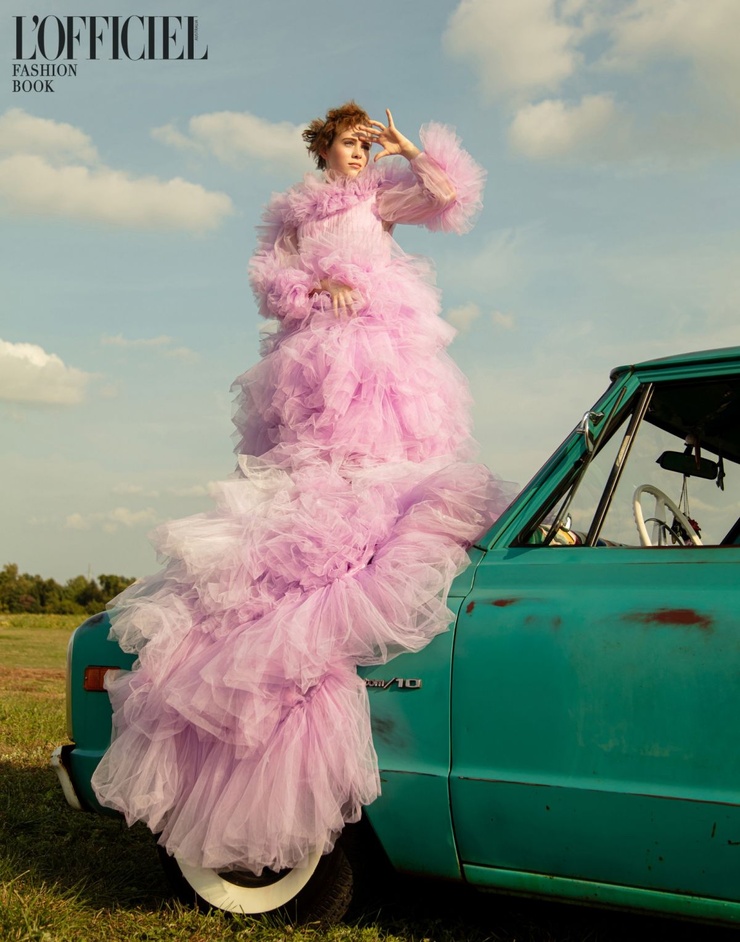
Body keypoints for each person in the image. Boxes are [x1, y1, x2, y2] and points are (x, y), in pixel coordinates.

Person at [91, 102, 514, 877]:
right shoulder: (294, 211)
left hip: (380, 358)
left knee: (386, 467)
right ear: (324, 146)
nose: (360, 154)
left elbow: (448, 195)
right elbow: (272, 283)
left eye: (367, 145)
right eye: (351, 143)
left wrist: (407, 146)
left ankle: (357, 553)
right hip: (315, 358)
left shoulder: (379, 197)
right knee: (312, 476)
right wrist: (319, 283)